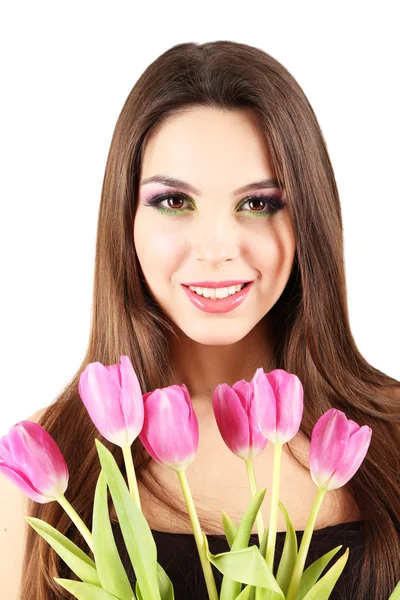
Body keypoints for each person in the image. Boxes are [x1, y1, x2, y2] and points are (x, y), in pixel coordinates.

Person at [2, 40, 399, 599]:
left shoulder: (392, 438)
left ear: (309, 218)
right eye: (174, 201)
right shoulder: (40, 463)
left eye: (258, 203)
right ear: (126, 219)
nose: (216, 248)